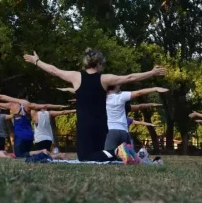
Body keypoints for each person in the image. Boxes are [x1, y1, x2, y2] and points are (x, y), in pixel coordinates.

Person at [23, 48, 166, 161]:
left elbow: (53, 70)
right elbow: (130, 77)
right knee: (98, 155)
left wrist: (37, 61)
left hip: (85, 125)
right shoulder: (104, 79)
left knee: (85, 157)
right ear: (98, 64)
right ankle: (126, 154)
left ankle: (118, 152)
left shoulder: (75, 76)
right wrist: (151, 73)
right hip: (101, 125)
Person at [105, 85, 168, 151]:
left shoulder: (102, 98)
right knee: (126, 156)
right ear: (115, 87)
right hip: (124, 132)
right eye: (118, 85)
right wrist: (154, 89)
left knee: (109, 155)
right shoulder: (121, 97)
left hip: (111, 131)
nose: (120, 87)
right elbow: (139, 97)